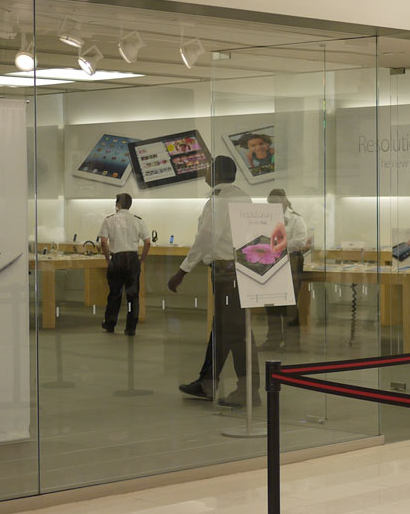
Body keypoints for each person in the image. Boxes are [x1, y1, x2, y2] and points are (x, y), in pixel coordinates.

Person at [168, 155, 258, 407]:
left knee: (236, 333)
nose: (205, 173)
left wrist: (182, 271)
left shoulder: (219, 200)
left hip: (226, 274)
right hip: (242, 270)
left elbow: (206, 238)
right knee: (224, 329)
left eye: (208, 169)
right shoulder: (243, 197)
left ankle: (249, 390)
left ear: (216, 173)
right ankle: (208, 382)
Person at [261, 188, 310, 351]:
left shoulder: (296, 219)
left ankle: (292, 342)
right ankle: (273, 340)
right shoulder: (265, 219)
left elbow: (300, 241)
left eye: (276, 202)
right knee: (271, 303)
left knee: (289, 304)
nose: (273, 206)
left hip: (291, 263)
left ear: (284, 201)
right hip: (271, 263)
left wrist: (276, 246)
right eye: (270, 203)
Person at [98, 193, 151, 336]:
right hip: (133, 258)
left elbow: (103, 241)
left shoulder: (109, 220)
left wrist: (108, 259)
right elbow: (147, 242)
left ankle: (110, 324)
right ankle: (130, 327)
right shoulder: (138, 220)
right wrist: (141, 260)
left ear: (118, 204)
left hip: (117, 258)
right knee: (132, 295)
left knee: (114, 293)